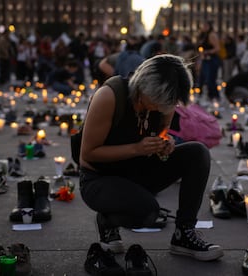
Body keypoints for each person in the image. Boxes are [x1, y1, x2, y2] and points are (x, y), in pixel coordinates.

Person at [79, 54, 224, 262]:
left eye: (170, 103)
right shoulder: (110, 96)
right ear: (143, 88)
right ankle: (107, 220)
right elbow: (88, 154)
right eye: (159, 102)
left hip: (137, 170)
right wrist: (136, 149)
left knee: (197, 153)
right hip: (100, 177)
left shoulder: (165, 103)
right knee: (147, 212)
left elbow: (161, 133)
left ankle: (184, 234)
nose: (162, 108)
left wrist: (164, 145)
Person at [197, 21, 221, 101]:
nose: (203, 27)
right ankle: (208, 96)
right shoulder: (204, 35)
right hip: (206, 60)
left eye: (205, 26)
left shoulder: (212, 35)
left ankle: (215, 97)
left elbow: (217, 48)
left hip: (211, 60)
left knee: (210, 79)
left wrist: (207, 52)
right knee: (202, 78)